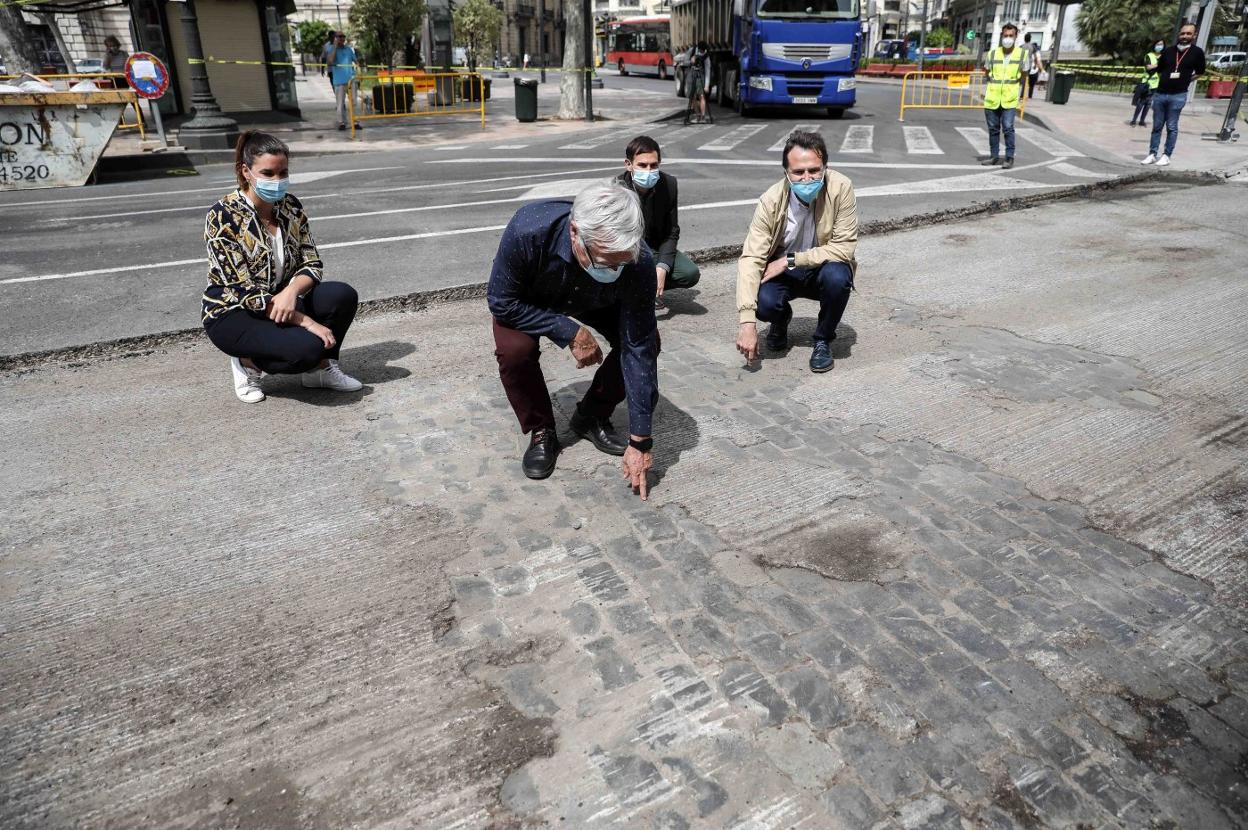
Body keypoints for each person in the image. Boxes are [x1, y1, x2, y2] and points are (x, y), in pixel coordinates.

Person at [487, 183, 659, 496]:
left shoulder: (637, 259)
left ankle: (591, 416)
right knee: (515, 351)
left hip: (595, 299)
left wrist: (640, 441)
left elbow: (639, 347)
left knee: (643, 342)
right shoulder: (528, 229)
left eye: (620, 263)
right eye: (606, 262)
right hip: (532, 298)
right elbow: (501, 301)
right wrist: (567, 331)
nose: (614, 269)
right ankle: (542, 430)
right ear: (575, 233)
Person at [202, 131, 362, 403]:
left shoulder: (291, 207)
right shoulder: (223, 215)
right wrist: (307, 322)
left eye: (283, 172)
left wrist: (291, 291)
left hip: (282, 301)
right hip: (234, 311)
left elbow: (312, 262)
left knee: (341, 295)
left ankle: (320, 371)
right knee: (306, 349)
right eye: (268, 173)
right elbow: (243, 290)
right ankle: (247, 362)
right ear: (246, 171)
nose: (277, 181)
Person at [735, 130, 857, 374]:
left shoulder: (841, 187)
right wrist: (747, 322)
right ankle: (780, 322)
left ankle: (822, 339)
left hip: (820, 269)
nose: (807, 178)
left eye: (814, 170)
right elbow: (751, 258)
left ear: (825, 167)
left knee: (839, 277)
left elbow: (844, 248)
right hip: (786, 275)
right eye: (798, 172)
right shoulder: (770, 200)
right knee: (764, 302)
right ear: (786, 173)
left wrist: (789, 261)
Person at [614, 135, 700, 309]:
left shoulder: (668, 184)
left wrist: (662, 267)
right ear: (628, 164)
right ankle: (630, 292)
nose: (648, 170)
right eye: (642, 165)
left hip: (654, 248)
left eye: (654, 165)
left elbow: (671, 231)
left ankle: (650, 287)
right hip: (627, 251)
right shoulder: (617, 190)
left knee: (689, 273)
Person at [1142, 23, 1206, 167]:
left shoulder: (1197, 53)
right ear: (1179, 35)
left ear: (1194, 36)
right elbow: (1160, 68)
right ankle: (1152, 154)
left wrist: (1186, 80)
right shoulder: (1169, 51)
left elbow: (1200, 72)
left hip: (1178, 95)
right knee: (1157, 126)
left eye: (1188, 34)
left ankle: (1166, 155)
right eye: (1182, 33)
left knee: (1171, 126)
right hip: (1160, 94)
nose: (1184, 36)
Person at [980, 23, 1026, 170]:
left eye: (1010, 36)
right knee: (993, 128)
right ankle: (994, 156)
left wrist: (1021, 95)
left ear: (1016, 36)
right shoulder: (992, 54)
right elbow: (987, 73)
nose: (1008, 38)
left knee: (1008, 127)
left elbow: (1024, 76)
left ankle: (1009, 158)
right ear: (1001, 36)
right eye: (1005, 35)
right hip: (993, 98)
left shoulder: (1022, 54)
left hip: (1010, 98)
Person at [328, 31, 361, 131]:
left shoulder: (348, 49)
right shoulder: (331, 49)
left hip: (351, 79)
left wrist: (359, 72)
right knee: (340, 103)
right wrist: (334, 46)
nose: (342, 38)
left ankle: (355, 122)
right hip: (339, 81)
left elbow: (355, 61)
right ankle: (341, 122)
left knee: (354, 102)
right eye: (339, 36)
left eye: (343, 36)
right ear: (335, 38)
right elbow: (330, 61)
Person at [1131, 38, 1164, 127]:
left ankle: (1142, 121)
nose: (1160, 46)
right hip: (1147, 83)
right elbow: (1148, 67)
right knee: (1141, 102)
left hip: (1156, 84)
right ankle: (1134, 120)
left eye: (1161, 44)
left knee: (1148, 103)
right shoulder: (1149, 55)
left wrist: (1157, 66)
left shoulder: (1163, 56)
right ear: (1154, 45)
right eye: (1158, 44)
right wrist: (1159, 65)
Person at [687, 42, 712, 123]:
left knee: (701, 96)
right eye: (700, 50)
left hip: (700, 76)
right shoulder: (693, 51)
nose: (701, 52)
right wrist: (691, 61)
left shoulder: (706, 57)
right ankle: (698, 115)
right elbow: (684, 62)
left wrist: (706, 86)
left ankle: (703, 117)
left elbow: (708, 71)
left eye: (702, 51)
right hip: (692, 75)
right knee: (692, 96)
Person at [1020, 33, 1044, 99]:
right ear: (1030, 39)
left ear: (1024, 39)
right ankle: (1023, 95)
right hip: (1028, 65)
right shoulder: (1033, 46)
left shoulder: (1021, 46)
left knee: (1022, 80)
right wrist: (1035, 64)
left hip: (1021, 64)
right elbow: (1036, 57)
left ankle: (1021, 94)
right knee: (1026, 80)